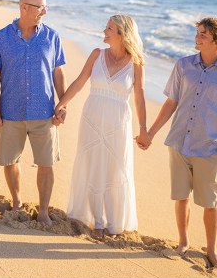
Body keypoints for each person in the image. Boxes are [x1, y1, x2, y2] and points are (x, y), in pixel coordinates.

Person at [139, 17, 217, 268]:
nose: (197, 37)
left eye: (203, 34)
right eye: (198, 32)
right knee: (181, 197)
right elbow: (171, 103)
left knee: (210, 204)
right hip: (179, 142)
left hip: (210, 148)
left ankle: (212, 251)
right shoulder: (183, 65)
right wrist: (152, 133)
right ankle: (183, 242)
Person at [54, 15, 148, 238]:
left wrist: (144, 129)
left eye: (109, 28)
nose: (104, 31)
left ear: (122, 34)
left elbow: (140, 97)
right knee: (92, 165)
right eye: (106, 27)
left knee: (115, 170)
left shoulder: (136, 62)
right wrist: (61, 104)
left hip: (118, 124)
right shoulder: (97, 54)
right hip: (92, 120)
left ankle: (114, 223)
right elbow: (79, 82)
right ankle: (97, 221)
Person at [0, 0, 66, 226]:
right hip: (10, 110)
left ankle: (43, 210)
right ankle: (17, 201)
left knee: (46, 162)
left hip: (44, 112)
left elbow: (58, 72)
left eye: (45, 7)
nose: (44, 11)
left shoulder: (52, 37)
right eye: (40, 7)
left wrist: (62, 104)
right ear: (24, 7)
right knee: (10, 160)